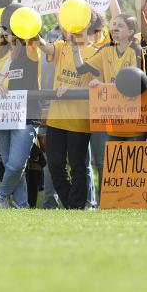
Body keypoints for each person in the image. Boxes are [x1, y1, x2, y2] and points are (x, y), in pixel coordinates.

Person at [36, 11, 104, 210]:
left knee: (77, 165)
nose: (70, 29)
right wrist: (33, 34)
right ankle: (71, 203)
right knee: (55, 165)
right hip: (56, 118)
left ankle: (75, 206)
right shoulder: (60, 47)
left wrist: (72, 89)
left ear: (86, 26)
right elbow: (43, 46)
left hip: (80, 119)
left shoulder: (96, 51)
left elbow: (93, 83)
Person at [0, 21, 44, 209]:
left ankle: (1, 195)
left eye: (7, 28)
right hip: (1, 113)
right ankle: (22, 205)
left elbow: (34, 38)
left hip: (27, 113)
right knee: (10, 163)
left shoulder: (29, 50)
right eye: (2, 28)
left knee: (17, 164)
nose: (3, 32)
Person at [84, 13, 142, 200]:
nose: (114, 28)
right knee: (108, 161)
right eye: (113, 24)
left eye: (120, 26)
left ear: (131, 32)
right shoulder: (106, 50)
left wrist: (104, 86)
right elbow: (82, 68)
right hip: (110, 112)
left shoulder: (137, 51)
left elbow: (134, 82)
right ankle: (107, 201)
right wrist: (76, 46)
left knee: (132, 160)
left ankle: (132, 200)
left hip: (133, 114)